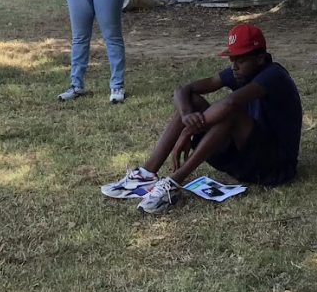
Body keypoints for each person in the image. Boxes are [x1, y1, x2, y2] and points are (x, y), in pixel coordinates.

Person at [100, 24, 302, 214]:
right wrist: (187, 115)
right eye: (232, 60)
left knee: (230, 113)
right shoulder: (241, 73)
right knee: (192, 101)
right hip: (244, 161)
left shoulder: (274, 75)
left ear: (260, 58)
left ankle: (173, 183)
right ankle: (145, 175)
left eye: (240, 60)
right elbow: (183, 90)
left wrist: (188, 131)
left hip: (275, 168)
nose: (234, 67)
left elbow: (229, 104)